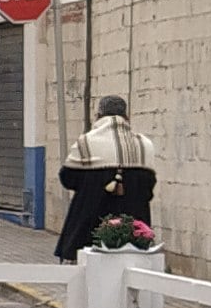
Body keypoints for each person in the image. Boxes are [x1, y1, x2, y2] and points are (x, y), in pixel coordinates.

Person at [52, 95, 163, 261]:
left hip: (88, 229)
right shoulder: (144, 145)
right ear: (126, 117)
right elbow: (148, 189)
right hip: (133, 229)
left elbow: (67, 178)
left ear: (98, 116)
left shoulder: (86, 143)